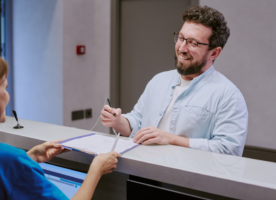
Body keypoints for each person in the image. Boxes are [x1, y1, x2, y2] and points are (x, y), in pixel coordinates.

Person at [101, 6, 248, 156]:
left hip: (186, 178)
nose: (182, 48)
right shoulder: (158, 80)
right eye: (181, 38)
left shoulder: (228, 95)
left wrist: (171, 139)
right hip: (144, 172)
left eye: (193, 43)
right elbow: (138, 121)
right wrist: (118, 121)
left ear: (214, 52)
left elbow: (229, 150)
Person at [0, 51, 120, 200]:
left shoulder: (8, 162)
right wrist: (96, 170)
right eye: (5, 88)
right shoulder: (10, 160)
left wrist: (29, 159)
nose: (8, 95)